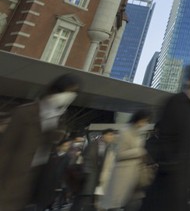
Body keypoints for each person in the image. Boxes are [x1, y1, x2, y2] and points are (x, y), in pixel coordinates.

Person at [0, 73, 81, 211]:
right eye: (68, 91)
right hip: (13, 179)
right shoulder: (25, 112)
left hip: (37, 183)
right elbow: (6, 149)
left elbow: (52, 147)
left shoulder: (60, 118)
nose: (70, 96)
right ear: (56, 90)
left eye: (74, 93)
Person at [140, 62, 190, 211]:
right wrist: (172, 166)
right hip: (168, 183)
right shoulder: (176, 103)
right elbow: (163, 137)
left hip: (180, 183)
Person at [101, 110, 151, 211]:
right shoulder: (125, 132)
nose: (144, 124)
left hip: (134, 174)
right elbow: (119, 154)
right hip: (123, 174)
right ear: (137, 119)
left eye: (146, 121)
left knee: (133, 203)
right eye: (143, 121)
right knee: (118, 204)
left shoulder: (138, 133)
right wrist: (138, 151)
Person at [72, 129, 117, 211]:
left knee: (90, 200)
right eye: (110, 135)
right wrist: (87, 175)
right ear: (104, 135)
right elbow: (86, 159)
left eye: (113, 135)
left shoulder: (107, 147)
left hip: (96, 178)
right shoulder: (94, 144)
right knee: (83, 199)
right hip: (88, 176)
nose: (112, 137)